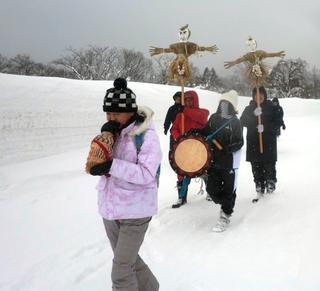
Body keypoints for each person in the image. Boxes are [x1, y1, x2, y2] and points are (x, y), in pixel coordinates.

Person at [89, 77, 161, 291]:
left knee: (120, 271)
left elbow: (146, 174)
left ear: (130, 111)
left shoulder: (146, 136)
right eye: (108, 113)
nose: (111, 117)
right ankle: (150, 288)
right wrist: (98, 161)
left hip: (136, 212)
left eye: (116, 113)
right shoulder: (111, 133)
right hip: (111, 211)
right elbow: (103, 162)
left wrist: (110, 166)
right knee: (129, 261)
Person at [199, 90, 243, 232]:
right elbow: (205, 132)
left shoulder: (235, 122)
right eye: (222, 103)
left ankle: (225, 214)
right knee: (212, 189)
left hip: (229, 162)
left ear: (231, 106)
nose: (223, 106)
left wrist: (228, 148)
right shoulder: (213, 118)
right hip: (213, 161)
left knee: (229, 190)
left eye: (227, 104)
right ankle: (225, 203)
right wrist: (194, 132)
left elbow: (239, 142)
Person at [240, 86, 282, 202]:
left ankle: (270, 188)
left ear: (265, 95)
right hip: (254, 143)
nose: (259, 97)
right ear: (253, 97)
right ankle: (259, 189)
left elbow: (279, 121)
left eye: (261, 95)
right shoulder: (249, 108)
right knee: (256, 168)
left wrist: (266, 127)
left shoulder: (272, 107)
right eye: (256, 95)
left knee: (269, 167)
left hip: (268, 143)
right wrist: (254, 115)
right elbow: (242, 120)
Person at [170, 90, 209, 208]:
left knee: (204, 171)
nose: (187, 102)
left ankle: (210, 192)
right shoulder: (180, 116)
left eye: (189, 99)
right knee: (182, 172)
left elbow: (201, 119)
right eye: (185, 100)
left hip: (199, 149)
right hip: (184, 149)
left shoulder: (202, 113)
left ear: (195, 100)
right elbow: (174, 129)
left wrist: (185, 111)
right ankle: (181, 197)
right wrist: (180, 139)